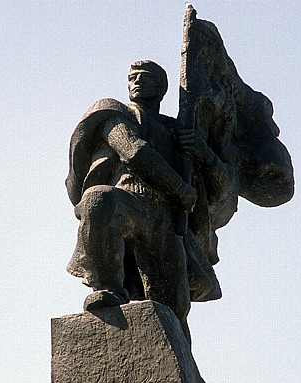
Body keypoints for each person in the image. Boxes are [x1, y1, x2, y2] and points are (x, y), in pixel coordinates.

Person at [66, 60, 234, 342]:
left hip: (165, 221)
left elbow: (222, 186)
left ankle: (186, 374)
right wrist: (180, 189)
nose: (137, 82)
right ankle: (107, 288)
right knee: (98, 198)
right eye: (133, 77)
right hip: (129, 203)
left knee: (172, 313)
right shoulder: (117, 115)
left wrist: (202, 152)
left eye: (146, 77)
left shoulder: (177, 130)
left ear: (162, 88)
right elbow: (135, 152)